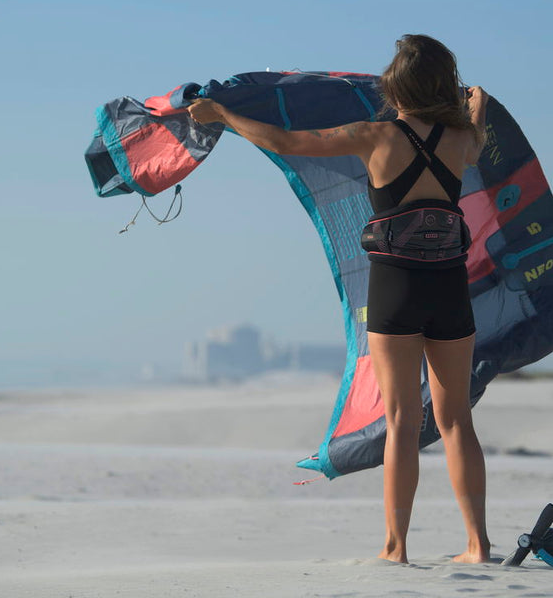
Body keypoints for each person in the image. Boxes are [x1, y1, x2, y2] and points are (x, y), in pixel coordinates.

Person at [187, 34, 490, 564]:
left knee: (402, 422)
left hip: (395, 286)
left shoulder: (374, 135)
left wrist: (222, 114)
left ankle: (396, 547)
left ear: (397, 86)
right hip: (448, 284)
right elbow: (479, 136)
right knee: (456, 420)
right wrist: (477, 106)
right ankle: (477, 545)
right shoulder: (462, 139)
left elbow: (286, 142)